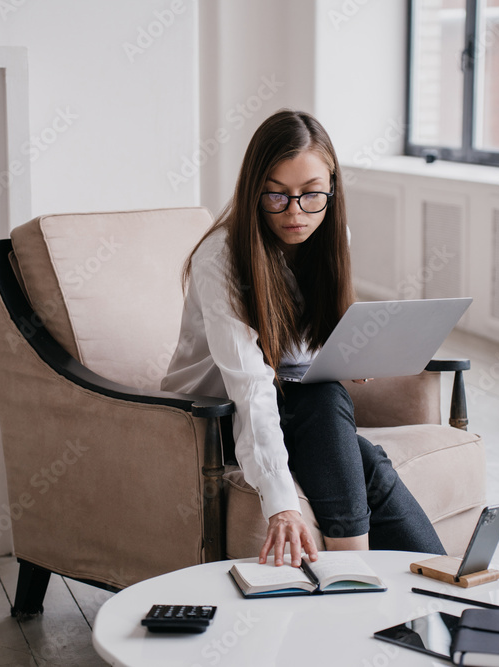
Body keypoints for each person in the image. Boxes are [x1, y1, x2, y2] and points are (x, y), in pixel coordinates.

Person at [161, 109, 445, 567]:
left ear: (332, 188)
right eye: (277, 195)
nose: (296, 212)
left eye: (312, 195)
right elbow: (251, 386)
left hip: (296, 400)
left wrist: (352, 353)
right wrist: (281, 505)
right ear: (254, 190)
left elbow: (300, 350)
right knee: (324, 403)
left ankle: (448, 589)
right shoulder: (221, 258)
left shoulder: (331, 237)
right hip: (212, 417)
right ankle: (363, 574)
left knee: (359, 454)